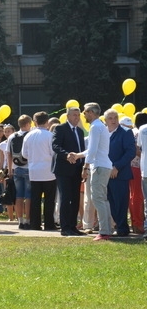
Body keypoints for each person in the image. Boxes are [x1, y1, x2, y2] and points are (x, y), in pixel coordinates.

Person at [69, 103, 113, 241]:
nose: (83, 114)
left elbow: (93, 150)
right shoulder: (101, 126)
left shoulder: (95, 127)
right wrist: (77, 155)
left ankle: (105, 231)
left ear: (91, 112)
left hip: (99, 166)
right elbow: (92, 150)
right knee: (102, 199)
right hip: (103, 165)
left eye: (85, 112)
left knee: (98, 199)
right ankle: (107, 229)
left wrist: (85, 167)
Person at [51, 107, 86, 236]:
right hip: (63, 169)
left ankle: (73, 225)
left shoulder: (80, 132)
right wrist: (67, 155)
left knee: (75, 198)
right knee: (66, 198)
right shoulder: (60, 128)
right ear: (68, 116)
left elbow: (82, 150)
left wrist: (83, 165)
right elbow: (55, 146)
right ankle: (65, 227)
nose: (77, 118)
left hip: (77, 169)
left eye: (78, 115)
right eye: (74, 115)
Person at [21, 112, 57, 231]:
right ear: (47, 122)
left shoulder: (28, 136)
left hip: (34, 171)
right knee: (49, 200)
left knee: (35, 200)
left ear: (34, 122)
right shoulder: (50, 136)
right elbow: (53, 153)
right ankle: (49, 224)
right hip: (48, 172)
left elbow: (24, 155)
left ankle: (35, 224)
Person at [104, 110, 135, 237]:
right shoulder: (103, 133)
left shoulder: (126, 132)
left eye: (115, 117)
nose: (113, 120)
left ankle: (122, 228)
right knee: (110, 201)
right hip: (105, 172)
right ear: (105, 120)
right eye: (110, 118)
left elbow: (130, 152)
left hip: (120, 174)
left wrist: (117, 166)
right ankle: (118, 225)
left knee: (120, 202)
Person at [7, 115, 33, 230]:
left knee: (18, 196)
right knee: (28, 196)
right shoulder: (31, 136)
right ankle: (27, 220)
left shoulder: (12, 136)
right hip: (29, 168)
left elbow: (8, 153)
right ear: (28, 124)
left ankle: (20, 221)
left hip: (16, 168)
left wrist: (9, 169)